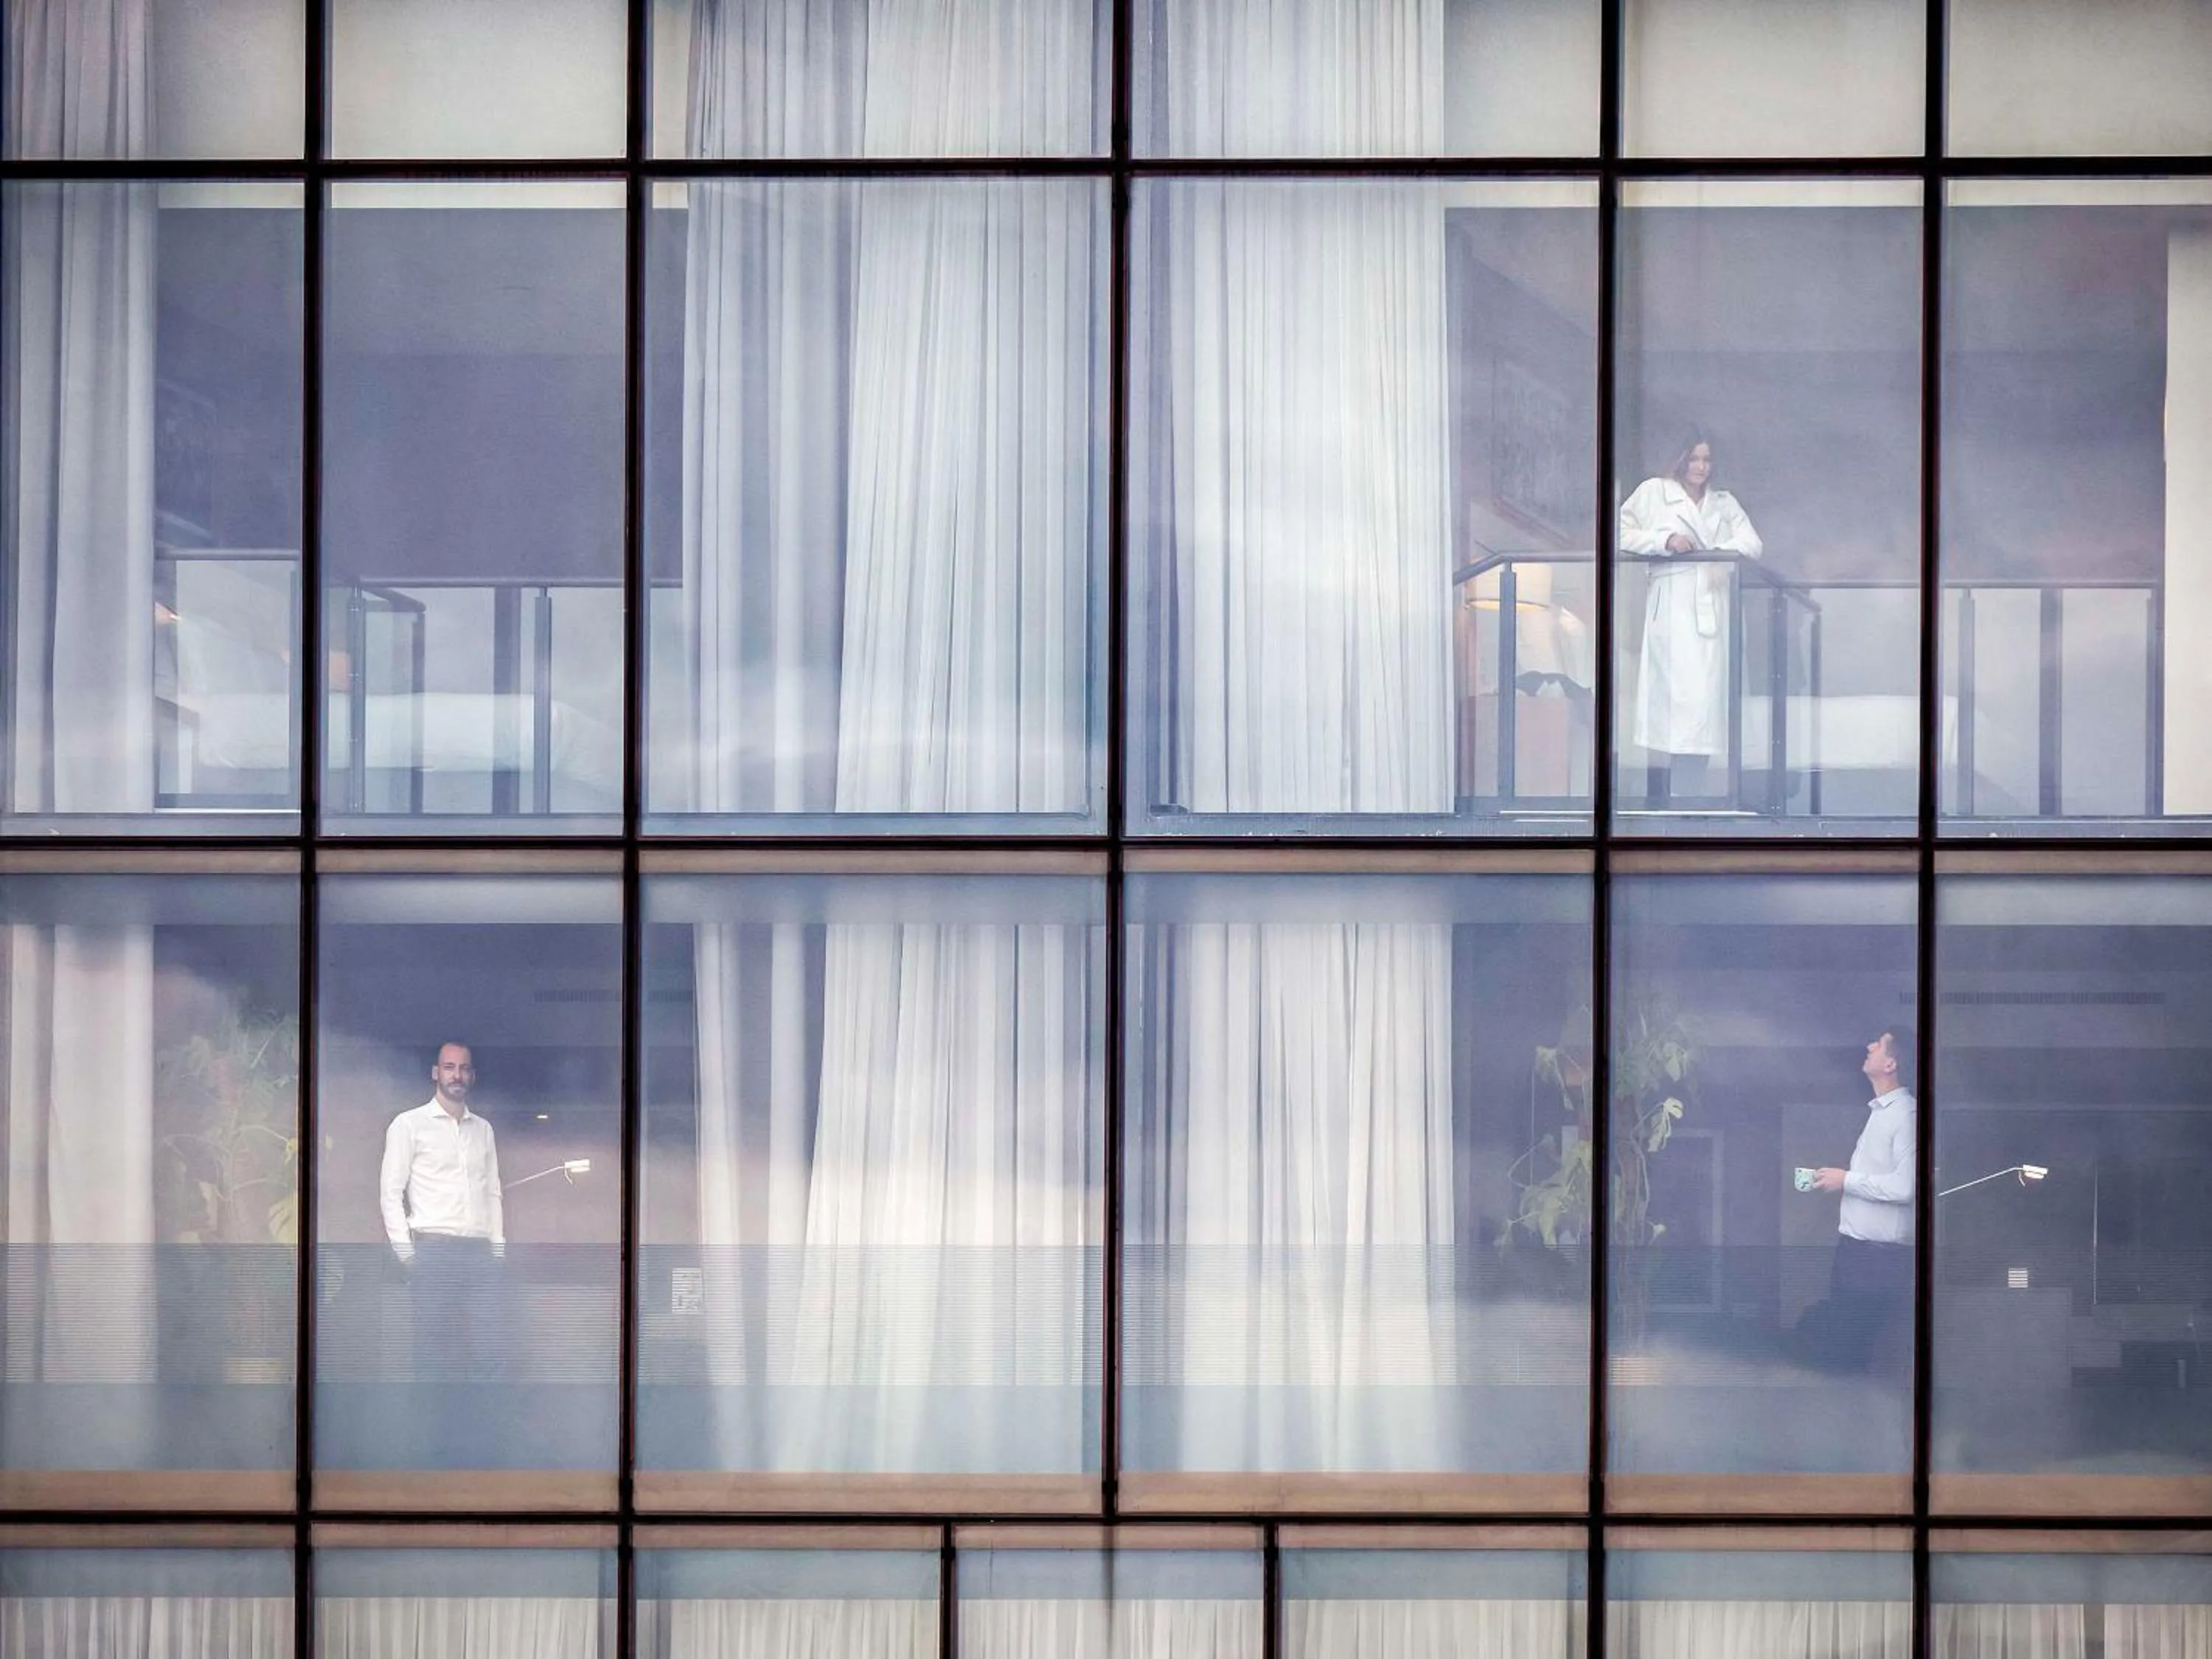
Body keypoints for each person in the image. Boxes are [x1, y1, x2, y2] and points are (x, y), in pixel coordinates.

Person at [1618, 433, 1764, 806]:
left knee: (1704, 704)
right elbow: (1622, 531)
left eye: (1707, 460)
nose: (1701, 467)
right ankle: (1661, 797)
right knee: (1674, 700)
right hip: (1673, 605)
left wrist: (1718, 557)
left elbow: (1752, 544)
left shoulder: (1723, 502)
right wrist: (1665, 539)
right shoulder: (1654, 491)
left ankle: (1690, 795)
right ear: (1680, 459)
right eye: (1694, 459)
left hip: (1710, 606)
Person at [379, 1041, 506, 1457]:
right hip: (432, 1251)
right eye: (449, 1067)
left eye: (464, 1069)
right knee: (432, 1352)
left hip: (478, 1253)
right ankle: (431, 1450)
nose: (457, 1075)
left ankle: (481, 1447)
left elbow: (493, 1193)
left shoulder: (482, 1129)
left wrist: (498, 1252)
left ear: (473, 1076)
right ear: (435, 1072)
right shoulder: (409, 1125)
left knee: (489, 1350)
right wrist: (408, 1256)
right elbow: (390, 1194)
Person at [1806, 1029, 1917, 1376]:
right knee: (1846, 1350)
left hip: (1877, 1262)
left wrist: (1846, 1180)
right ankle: (1851, 1419)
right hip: (1858, 1255)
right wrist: (1839, 1180)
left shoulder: (1905, 1115)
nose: (1868, 1046)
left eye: (1878, 1044)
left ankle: (1864, 1422)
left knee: (1856, 1355)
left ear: (1891, 1062)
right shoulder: (1881, 1113)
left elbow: (1906, 1187)